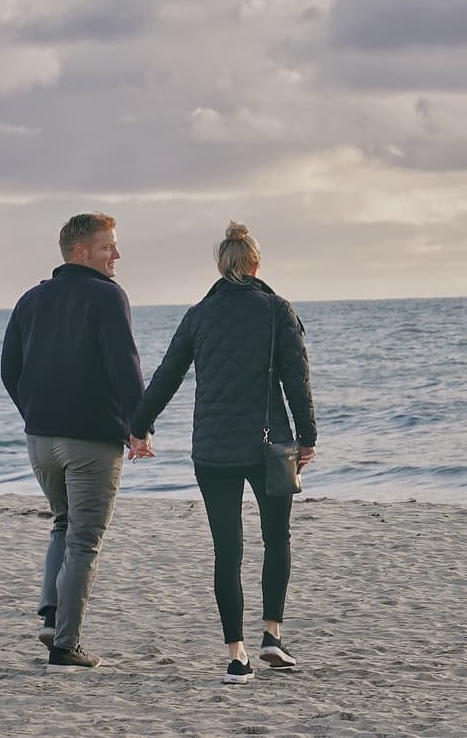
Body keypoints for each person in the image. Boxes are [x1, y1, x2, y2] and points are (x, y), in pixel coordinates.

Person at [129, 221, 317, 684]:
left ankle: (237, 655)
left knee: (226, 550)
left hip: (212, 451)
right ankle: (271, 634)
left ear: (221, 264)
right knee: (277, 538)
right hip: (270, 444)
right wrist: (308, 437)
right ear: (255, 264)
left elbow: (167, 376)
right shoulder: (278, 310)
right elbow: (297, 381)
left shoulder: (199, 315)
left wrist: (139, 427)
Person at [0, 212, 145, 672]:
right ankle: (66, 645)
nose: (116, 255)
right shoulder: (108, 296)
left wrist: (36, 415)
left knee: (63, 524)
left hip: (40, 440)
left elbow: (10, 371)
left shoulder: (30, 299)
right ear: (80, 251)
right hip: (92, 441)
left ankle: (50, 613)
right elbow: (124, 367)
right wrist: (139, 427)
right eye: (108, 247)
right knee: (84, 539)